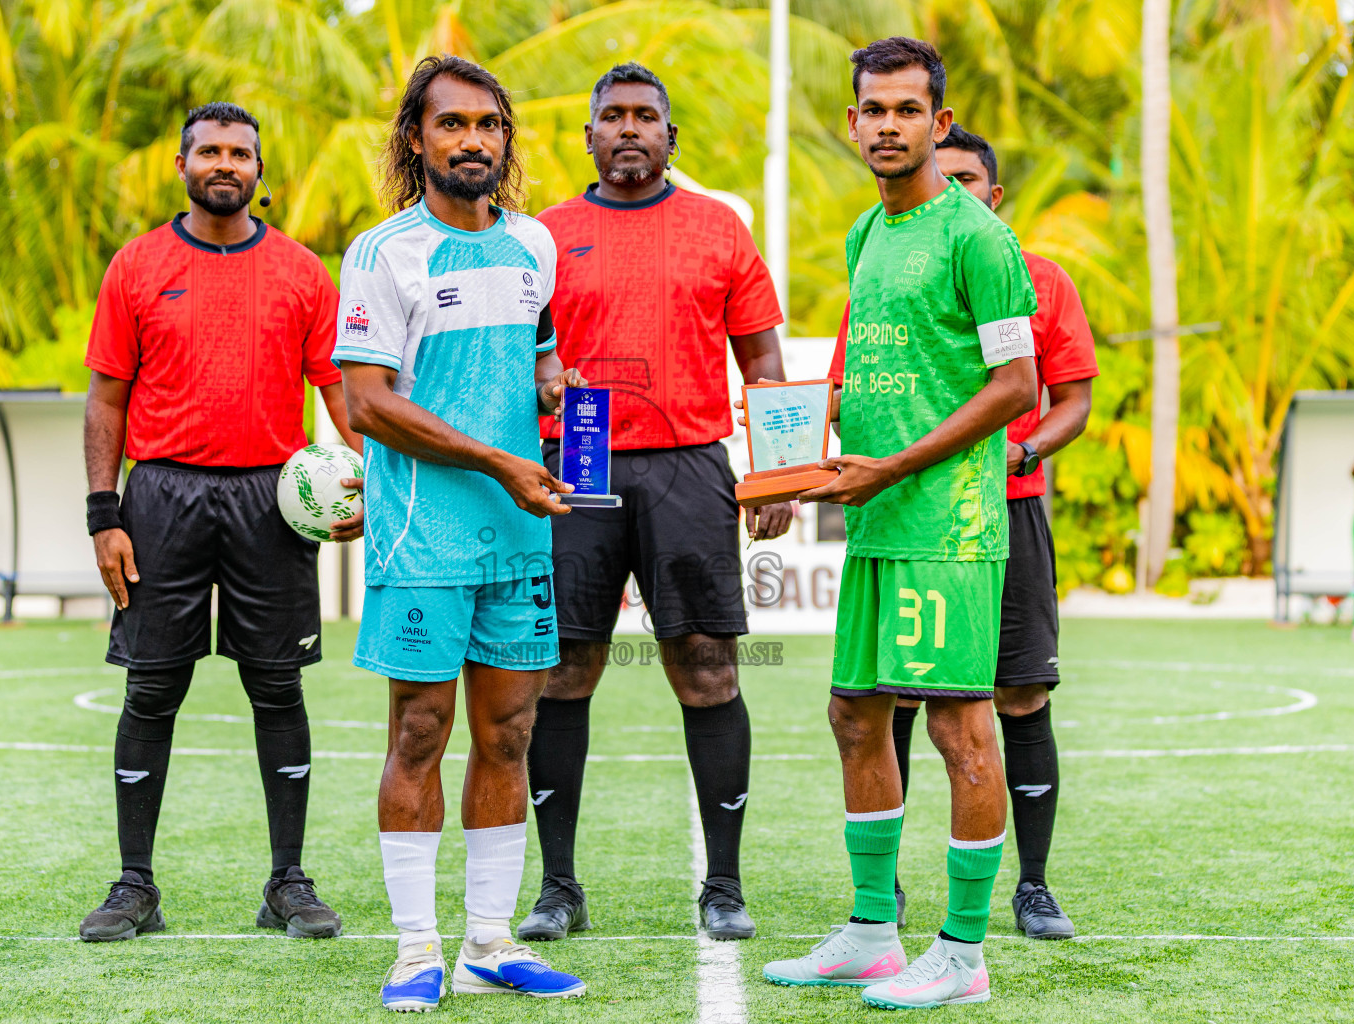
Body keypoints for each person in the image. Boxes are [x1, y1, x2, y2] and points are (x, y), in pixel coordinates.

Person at [761, 38, 1037, 1010]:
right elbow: (871, 376)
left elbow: (1017, 385)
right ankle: (874, 932)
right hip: (875, 520)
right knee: (853, 715)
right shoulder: (864, 235)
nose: (887, 126)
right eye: (872, 109)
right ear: (851, 122)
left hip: (951, 528)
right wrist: (791, 473)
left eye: (907, 110)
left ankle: (962, 953)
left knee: (964, 730)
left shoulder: (979, 237)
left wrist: (895, 467)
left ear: (940, 122)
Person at [335, 55, 587, 1012]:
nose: (473, 141)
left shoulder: (535, 247)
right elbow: (368, 404)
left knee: (510, 735)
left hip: (518, 538)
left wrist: (554, 392)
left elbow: (537, 354)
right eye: (452, 125)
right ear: (417, 139)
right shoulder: (383, 253)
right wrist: (498, 463)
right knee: (421, 732)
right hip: (420, 537)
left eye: (488, 125)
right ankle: (414, 950)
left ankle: (489, 942)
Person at [519, 62, 790, 945]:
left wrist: (776, 472)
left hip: (689, 470)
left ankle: (724, 884)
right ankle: (559, 887)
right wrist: (542, 381)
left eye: (646, 117)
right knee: (564, 672)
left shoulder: (719, 228)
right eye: (612, 117)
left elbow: (762, 361)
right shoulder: (544, 237)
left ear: (671, 137)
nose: (629, 129)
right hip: (579, 475)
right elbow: (520, 357)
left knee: (708, 669)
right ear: (588, 136)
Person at [79, 101, 361, 943]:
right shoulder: (136, 266)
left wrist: (373, 482)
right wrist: (105, 513)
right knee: (152, 686)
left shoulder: (305, 274)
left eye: (240, 152)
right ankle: (134, 885)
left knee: (277, 685)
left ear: (259, 171)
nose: (225, 163)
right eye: (209, 150)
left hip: (270, 501)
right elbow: (106, 399)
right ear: (183, 164)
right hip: (160, 496)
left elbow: (339, 391)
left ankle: (288, 881)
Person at [858, 123, 1097, 939]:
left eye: (967, 181)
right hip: (904, 512)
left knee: (1018, 693)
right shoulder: (880, 252)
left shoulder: (1038, 279)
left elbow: (1068, 399)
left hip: (1005, 509)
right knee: (883, 695)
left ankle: (1031, 887)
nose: (950, 192)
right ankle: (879, 892)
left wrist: (1021, 447)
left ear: (993, 199)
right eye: (942, 177)